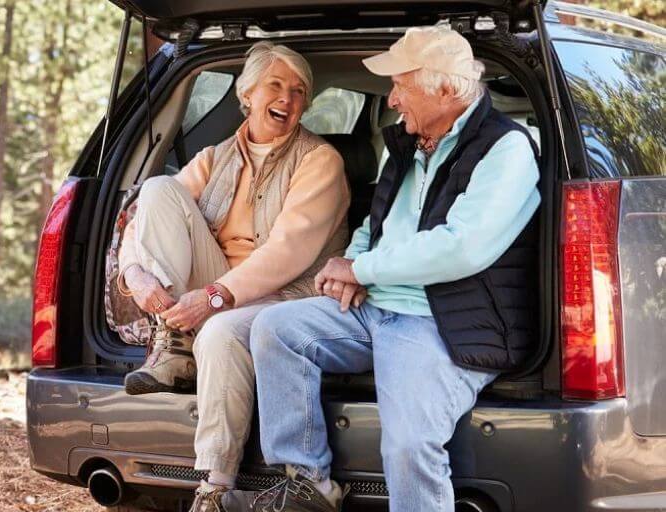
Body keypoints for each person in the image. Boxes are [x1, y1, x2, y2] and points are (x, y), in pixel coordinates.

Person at [223, 26, 541, 512]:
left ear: (445, 89)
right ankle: (307, 485)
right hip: (375, 308)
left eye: (400, 86)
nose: (392, 100)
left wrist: (364, 270)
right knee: (275, 329)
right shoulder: (410, 145)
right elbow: (376, 224)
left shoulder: (506, 149)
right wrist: (349, 265)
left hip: (442, 320)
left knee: (409, 444)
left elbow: (461, 248)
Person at [116, 41, 351, 511]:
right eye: (275, 85)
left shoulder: (319, 160)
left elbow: (288, 253)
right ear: (247, 94)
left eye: (298, 91)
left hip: (290, 293)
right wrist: (135, 275)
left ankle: (213, 485)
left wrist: (213, 298)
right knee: (158, 189)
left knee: (221, 330)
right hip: (219, 285)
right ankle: (173, 346)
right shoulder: (215, 156)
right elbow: (144, 220)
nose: (287, 98)